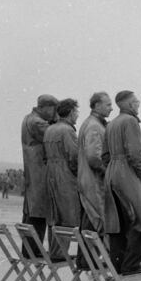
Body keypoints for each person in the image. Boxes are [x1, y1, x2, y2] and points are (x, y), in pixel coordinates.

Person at [104, 90, 141, 275]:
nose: (138, 104)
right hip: (127, 172)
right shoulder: (130, 121)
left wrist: (113, 169)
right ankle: (132, 263)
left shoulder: (111, 124)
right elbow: (135, 153)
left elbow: (104, 155)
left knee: (118, 223)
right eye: (135, 101)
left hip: (112, 172)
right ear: (127, 104)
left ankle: (118, 264)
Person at [21, 94, 59, 247]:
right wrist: (57, 119)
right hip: (39, 169)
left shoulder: (28, 118)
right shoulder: (38, 122)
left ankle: (30, 250)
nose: (54, 112)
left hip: (33, 168)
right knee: (39, 211)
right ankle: (33, 250)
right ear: (46, 107)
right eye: (53, 109)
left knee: (32, 210)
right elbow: (54, 135)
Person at [44, 98, 82, 233]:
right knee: (67, 214)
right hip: (65, 174)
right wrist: (78, 175)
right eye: (76, 111)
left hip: (50, 173)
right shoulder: (68, 131)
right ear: (71, 112)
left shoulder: (50, 129)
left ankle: (55, 252)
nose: (77, 115)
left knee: (54, 215)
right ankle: (60, 253)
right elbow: (74, 156)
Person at [77, 91, 112, 233]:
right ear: (97, 105)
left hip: (87, 179)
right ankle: (88, 255)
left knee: (89, 221)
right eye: (108, 104)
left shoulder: (90, 123)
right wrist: (108, 172)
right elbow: (94, 157)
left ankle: (84, 255)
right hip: (94, 181)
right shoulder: (94, 126)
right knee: (96, 221)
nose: (111, 108)